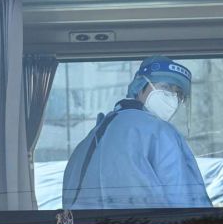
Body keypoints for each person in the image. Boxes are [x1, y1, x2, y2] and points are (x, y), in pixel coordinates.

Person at [62, 56, 212, 209]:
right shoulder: (158, 132)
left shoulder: (89, 141)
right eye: (166, 87)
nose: (173, 98)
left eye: (178, 94)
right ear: (140, 86)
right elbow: (188, 204)